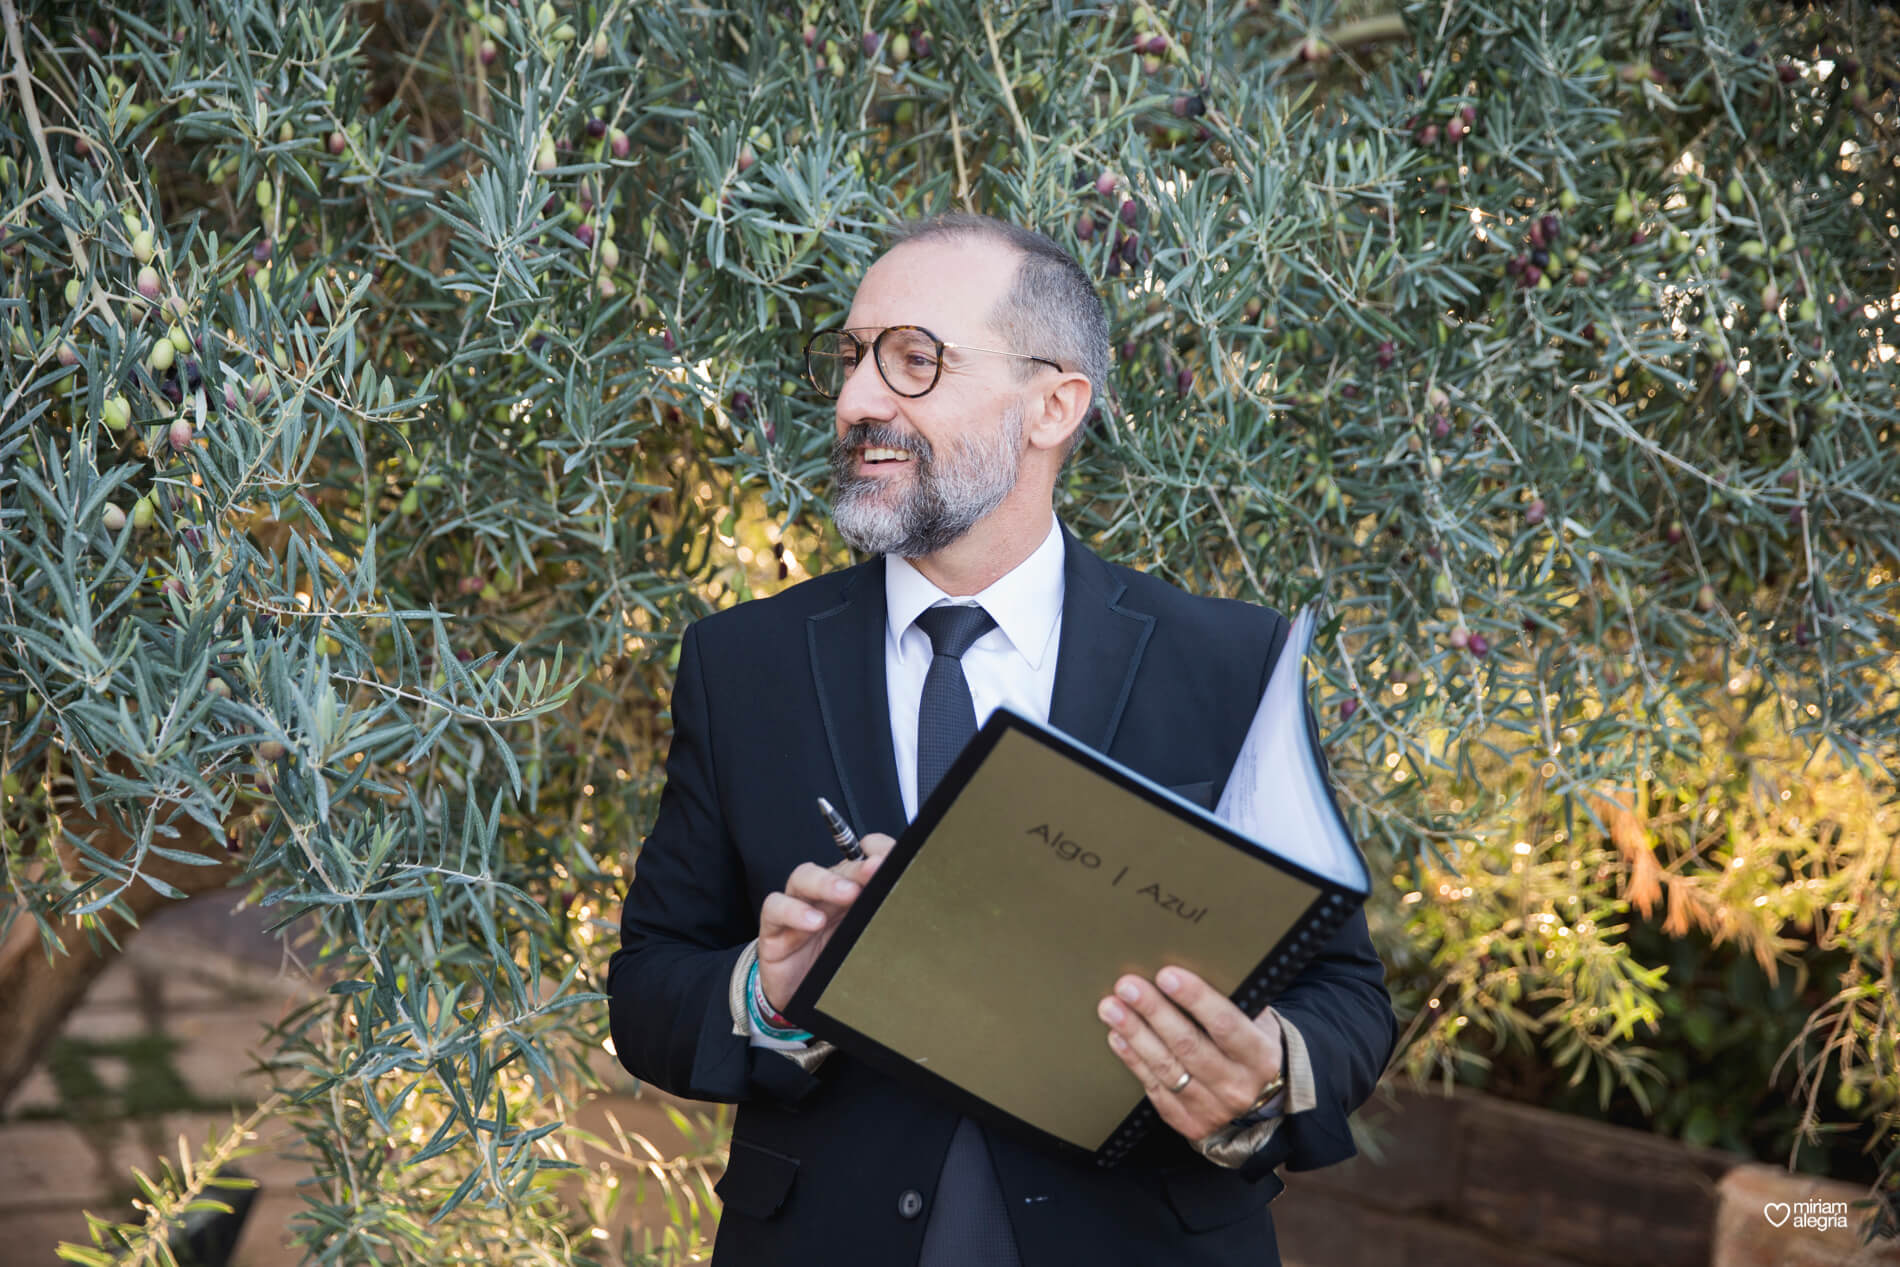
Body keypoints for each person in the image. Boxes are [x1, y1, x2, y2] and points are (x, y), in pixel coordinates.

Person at [608, 213, 1397, 1266]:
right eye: (850, 359)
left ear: (1054, 404)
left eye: (913, 361)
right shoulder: (740, 664)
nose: (854, 401)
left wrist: (1263, 1073)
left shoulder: (1229, 664)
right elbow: (651, 982)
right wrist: (768, 993)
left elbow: (1343, 993)